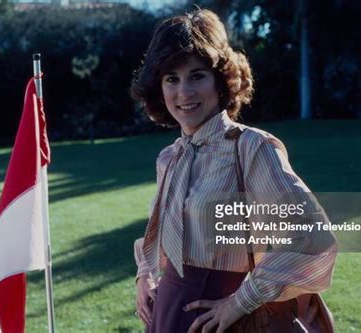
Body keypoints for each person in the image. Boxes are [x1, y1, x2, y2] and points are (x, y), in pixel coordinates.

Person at [131, 9, 337, 333]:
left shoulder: (252, 148)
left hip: (224, 320)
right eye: (172, 78)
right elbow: (167, 239)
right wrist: (145, 275)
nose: (184, 92)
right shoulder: (169, 157)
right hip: (167, 314)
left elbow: (313, 237)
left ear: (220, 80)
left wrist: (239, 302)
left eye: (197, 75)